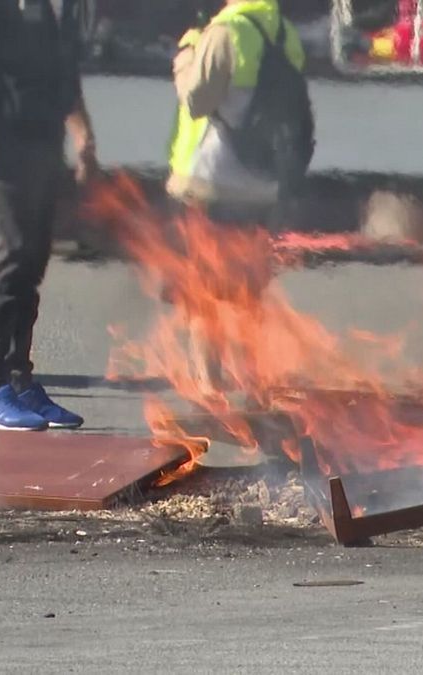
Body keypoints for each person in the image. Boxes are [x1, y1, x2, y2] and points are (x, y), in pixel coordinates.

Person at [0, 0, 98, 431]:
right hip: (5, 135)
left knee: (32, 260)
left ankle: (18, 382)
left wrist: (83, 134)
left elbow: (62, 72)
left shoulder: (47, 9)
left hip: (42, 139)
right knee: (10, 254)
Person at [167, 0, 310, 399]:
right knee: (248, 292)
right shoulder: (285, 35)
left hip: (214, 183)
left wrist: (185, 58)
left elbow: (196, 100)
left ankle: (209, 386)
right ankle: (252, 380)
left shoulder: (224, 33)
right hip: (261, 184)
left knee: (204, 292)